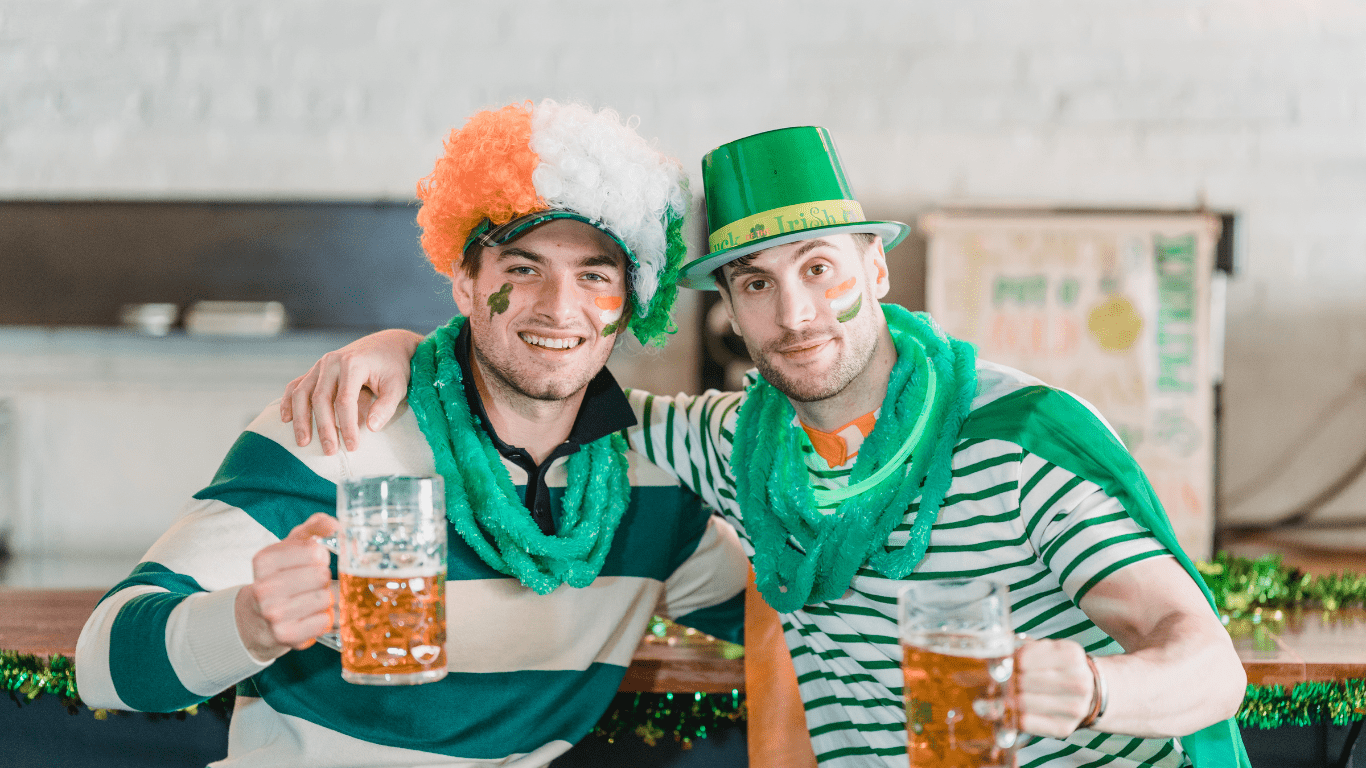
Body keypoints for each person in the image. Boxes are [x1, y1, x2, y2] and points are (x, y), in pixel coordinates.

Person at [283, 126, 1249, 768]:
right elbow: (548, 381)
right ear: (729, 309)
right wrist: (404, 349)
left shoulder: (1013, 441)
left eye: (820, 268)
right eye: (753, 283)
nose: (794, 314)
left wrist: (1091, 687)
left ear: (875, 267)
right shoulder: (732, 445)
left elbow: (1208, 664)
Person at [74, 100, 748, 768]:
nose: (558, 306)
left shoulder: (651, 479)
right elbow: (101, 662)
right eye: (522, 268)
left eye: (594, 276)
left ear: (629, 302)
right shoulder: (339, 424)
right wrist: (249, 622)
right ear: (464, 280)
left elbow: (778, 618)